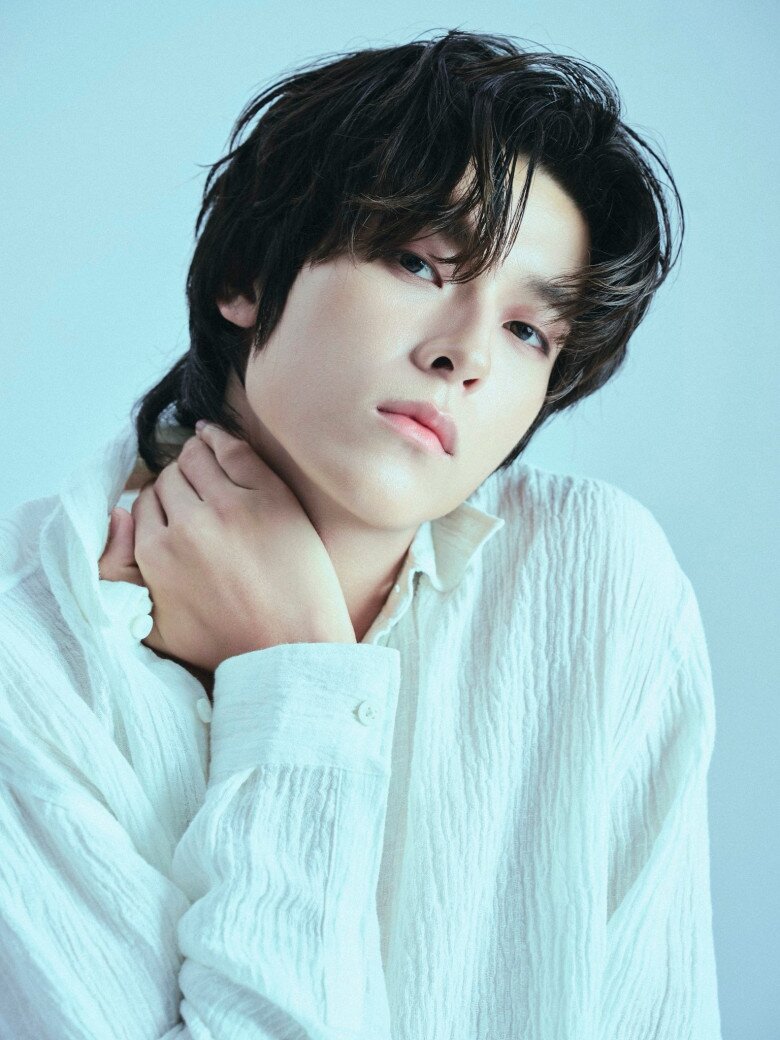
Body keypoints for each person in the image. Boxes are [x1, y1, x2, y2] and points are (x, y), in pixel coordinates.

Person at [0, 28, 722, 1039]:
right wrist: (300, 683)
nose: (467, 353)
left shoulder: (598, 583)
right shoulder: (32, 663)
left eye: (527, 331)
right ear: (247, 274)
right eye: (420, 262)